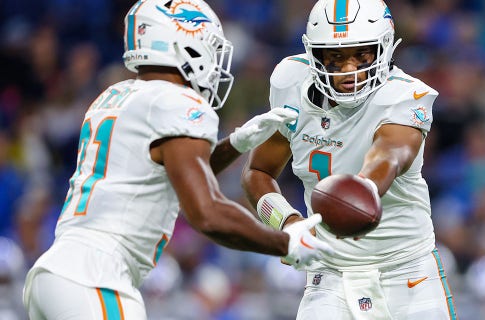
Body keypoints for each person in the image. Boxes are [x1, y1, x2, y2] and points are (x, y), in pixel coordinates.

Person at [22, 0, 332, 319]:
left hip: (55, 274)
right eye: (209, 47)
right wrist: (285, 242)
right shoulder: (178, 103)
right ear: (184, 44)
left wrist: (235, 143)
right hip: (97, 278)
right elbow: (206, 213)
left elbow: (175, 179)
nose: (216, 62)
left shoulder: (115, 95)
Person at [241, 0, 457, 319]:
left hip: (406, 271)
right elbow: (257, 171)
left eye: (361, 54)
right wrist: (288, 222)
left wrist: (363, 189)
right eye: (335, 56)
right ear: (314, 55)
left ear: (383, 50)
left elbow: (390, 155)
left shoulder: (404, 97)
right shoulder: (290, 82)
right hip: (330, 270)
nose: (349, 69)